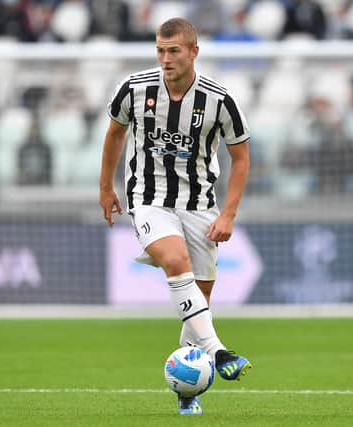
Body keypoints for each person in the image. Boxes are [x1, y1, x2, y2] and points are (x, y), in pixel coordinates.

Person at [99, 18, 252, 415]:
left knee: (196, 304)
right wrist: (105, 187)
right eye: (160, 50)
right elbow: (115, 133)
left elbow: (241, 157)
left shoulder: (220, 100)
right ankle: (218, 353)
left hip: (201, 205)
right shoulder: (134, 88)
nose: (165, 59)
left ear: (193, 52)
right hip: (148, 199)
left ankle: (187, 391)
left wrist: (229, 215)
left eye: (174, 51)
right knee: (175, 261)